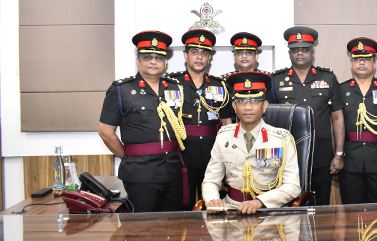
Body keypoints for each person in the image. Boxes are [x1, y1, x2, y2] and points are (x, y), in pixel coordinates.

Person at [98, 31, 188, 212]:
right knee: (143, 225)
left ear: (165, 62)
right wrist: (129, 157)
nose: (153, 62)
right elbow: (105, 132)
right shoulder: (121, 90)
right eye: (147, 57)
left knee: (174, 223)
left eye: (159, 58)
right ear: (137, 61)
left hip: (173, 169)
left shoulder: (175, 88)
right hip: (140, 173)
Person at [202, 71, 301, 214]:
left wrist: (260, 201)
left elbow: (293, 186)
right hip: (231, 209)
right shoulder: (223, 137)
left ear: (264, 106)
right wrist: (212, 199)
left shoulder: (282, 140)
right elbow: (211, 180)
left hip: (269, 211)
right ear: (234, 106)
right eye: (242, 101)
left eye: (254, 101)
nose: (248, 107)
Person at [271, 26, 345, 206]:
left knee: (321, 205)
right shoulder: (276, 80)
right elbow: (269, 121)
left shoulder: (328, 78)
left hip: (321, 154)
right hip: (287, 156)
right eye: (295, 50)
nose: (300, 53)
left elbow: (337, 118)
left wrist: (338, 154)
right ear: (289, 53)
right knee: (289, 205)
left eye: (305, 49)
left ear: (313, 52)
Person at [165, 29, 232, 210]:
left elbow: (227, 122)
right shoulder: (171, 84)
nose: (199, 57)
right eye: (194, 52)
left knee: (212, 205)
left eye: (204, 53)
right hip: (180, 156)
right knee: (181, 207)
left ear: (209, 58)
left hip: (212, 155)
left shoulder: (220, 85)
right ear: (185, 55)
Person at [339, 37, 377, 204]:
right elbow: (334, 125)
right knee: (351, 210)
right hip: (349, 161)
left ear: (374, 63)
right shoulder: (340, 90)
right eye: (357, 59)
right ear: (351, 63)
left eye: (367, 59)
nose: (361, 63)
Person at [221, 32, 273, 124]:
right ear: (234, 57)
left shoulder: (268, 79)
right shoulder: (224, 81)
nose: (244, 56)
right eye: (239, 53)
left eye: (248, 53)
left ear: (256, 57)